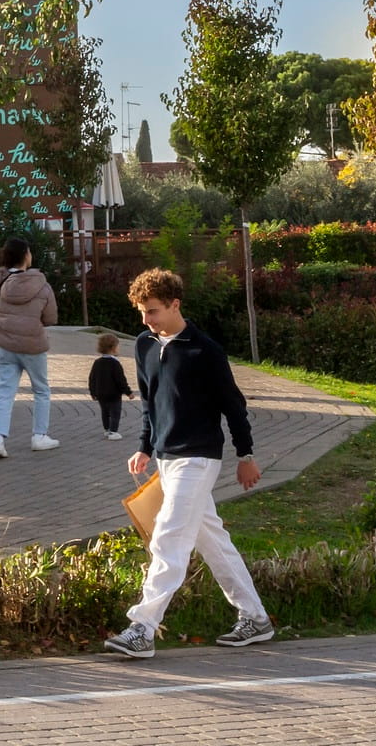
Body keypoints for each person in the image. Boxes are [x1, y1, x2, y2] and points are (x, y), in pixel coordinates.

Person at [105, 268, 274, 659]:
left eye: (153, 311)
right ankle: (256, 617)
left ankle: (142, 628)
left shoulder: (206, 351)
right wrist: (145, 447)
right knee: (211, 539)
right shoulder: (145, 345)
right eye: (142, 312)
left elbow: (234, 406)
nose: (146, 320)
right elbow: (150, 404)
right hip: (166, 458)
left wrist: (245, 455)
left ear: (175, 304)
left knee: (169, 536)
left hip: (198, 458)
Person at [0, 236, 60, 459]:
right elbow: (50, 318)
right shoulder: (42, 285)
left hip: (4, 344)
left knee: (5, 393)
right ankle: (39, 437)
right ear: (26, 256)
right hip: (32, 346)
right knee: (41, 390)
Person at [89, 331, 135, 440]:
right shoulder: (115, 363)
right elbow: (120, 380)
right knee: (115, 412)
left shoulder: (97, 362)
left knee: (104, 412)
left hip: (100, 393)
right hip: (114, 394)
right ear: (113, 348)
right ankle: (113, 431)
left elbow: (92, 378)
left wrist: (93, 392)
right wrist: (128, 392)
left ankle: (106, 429)